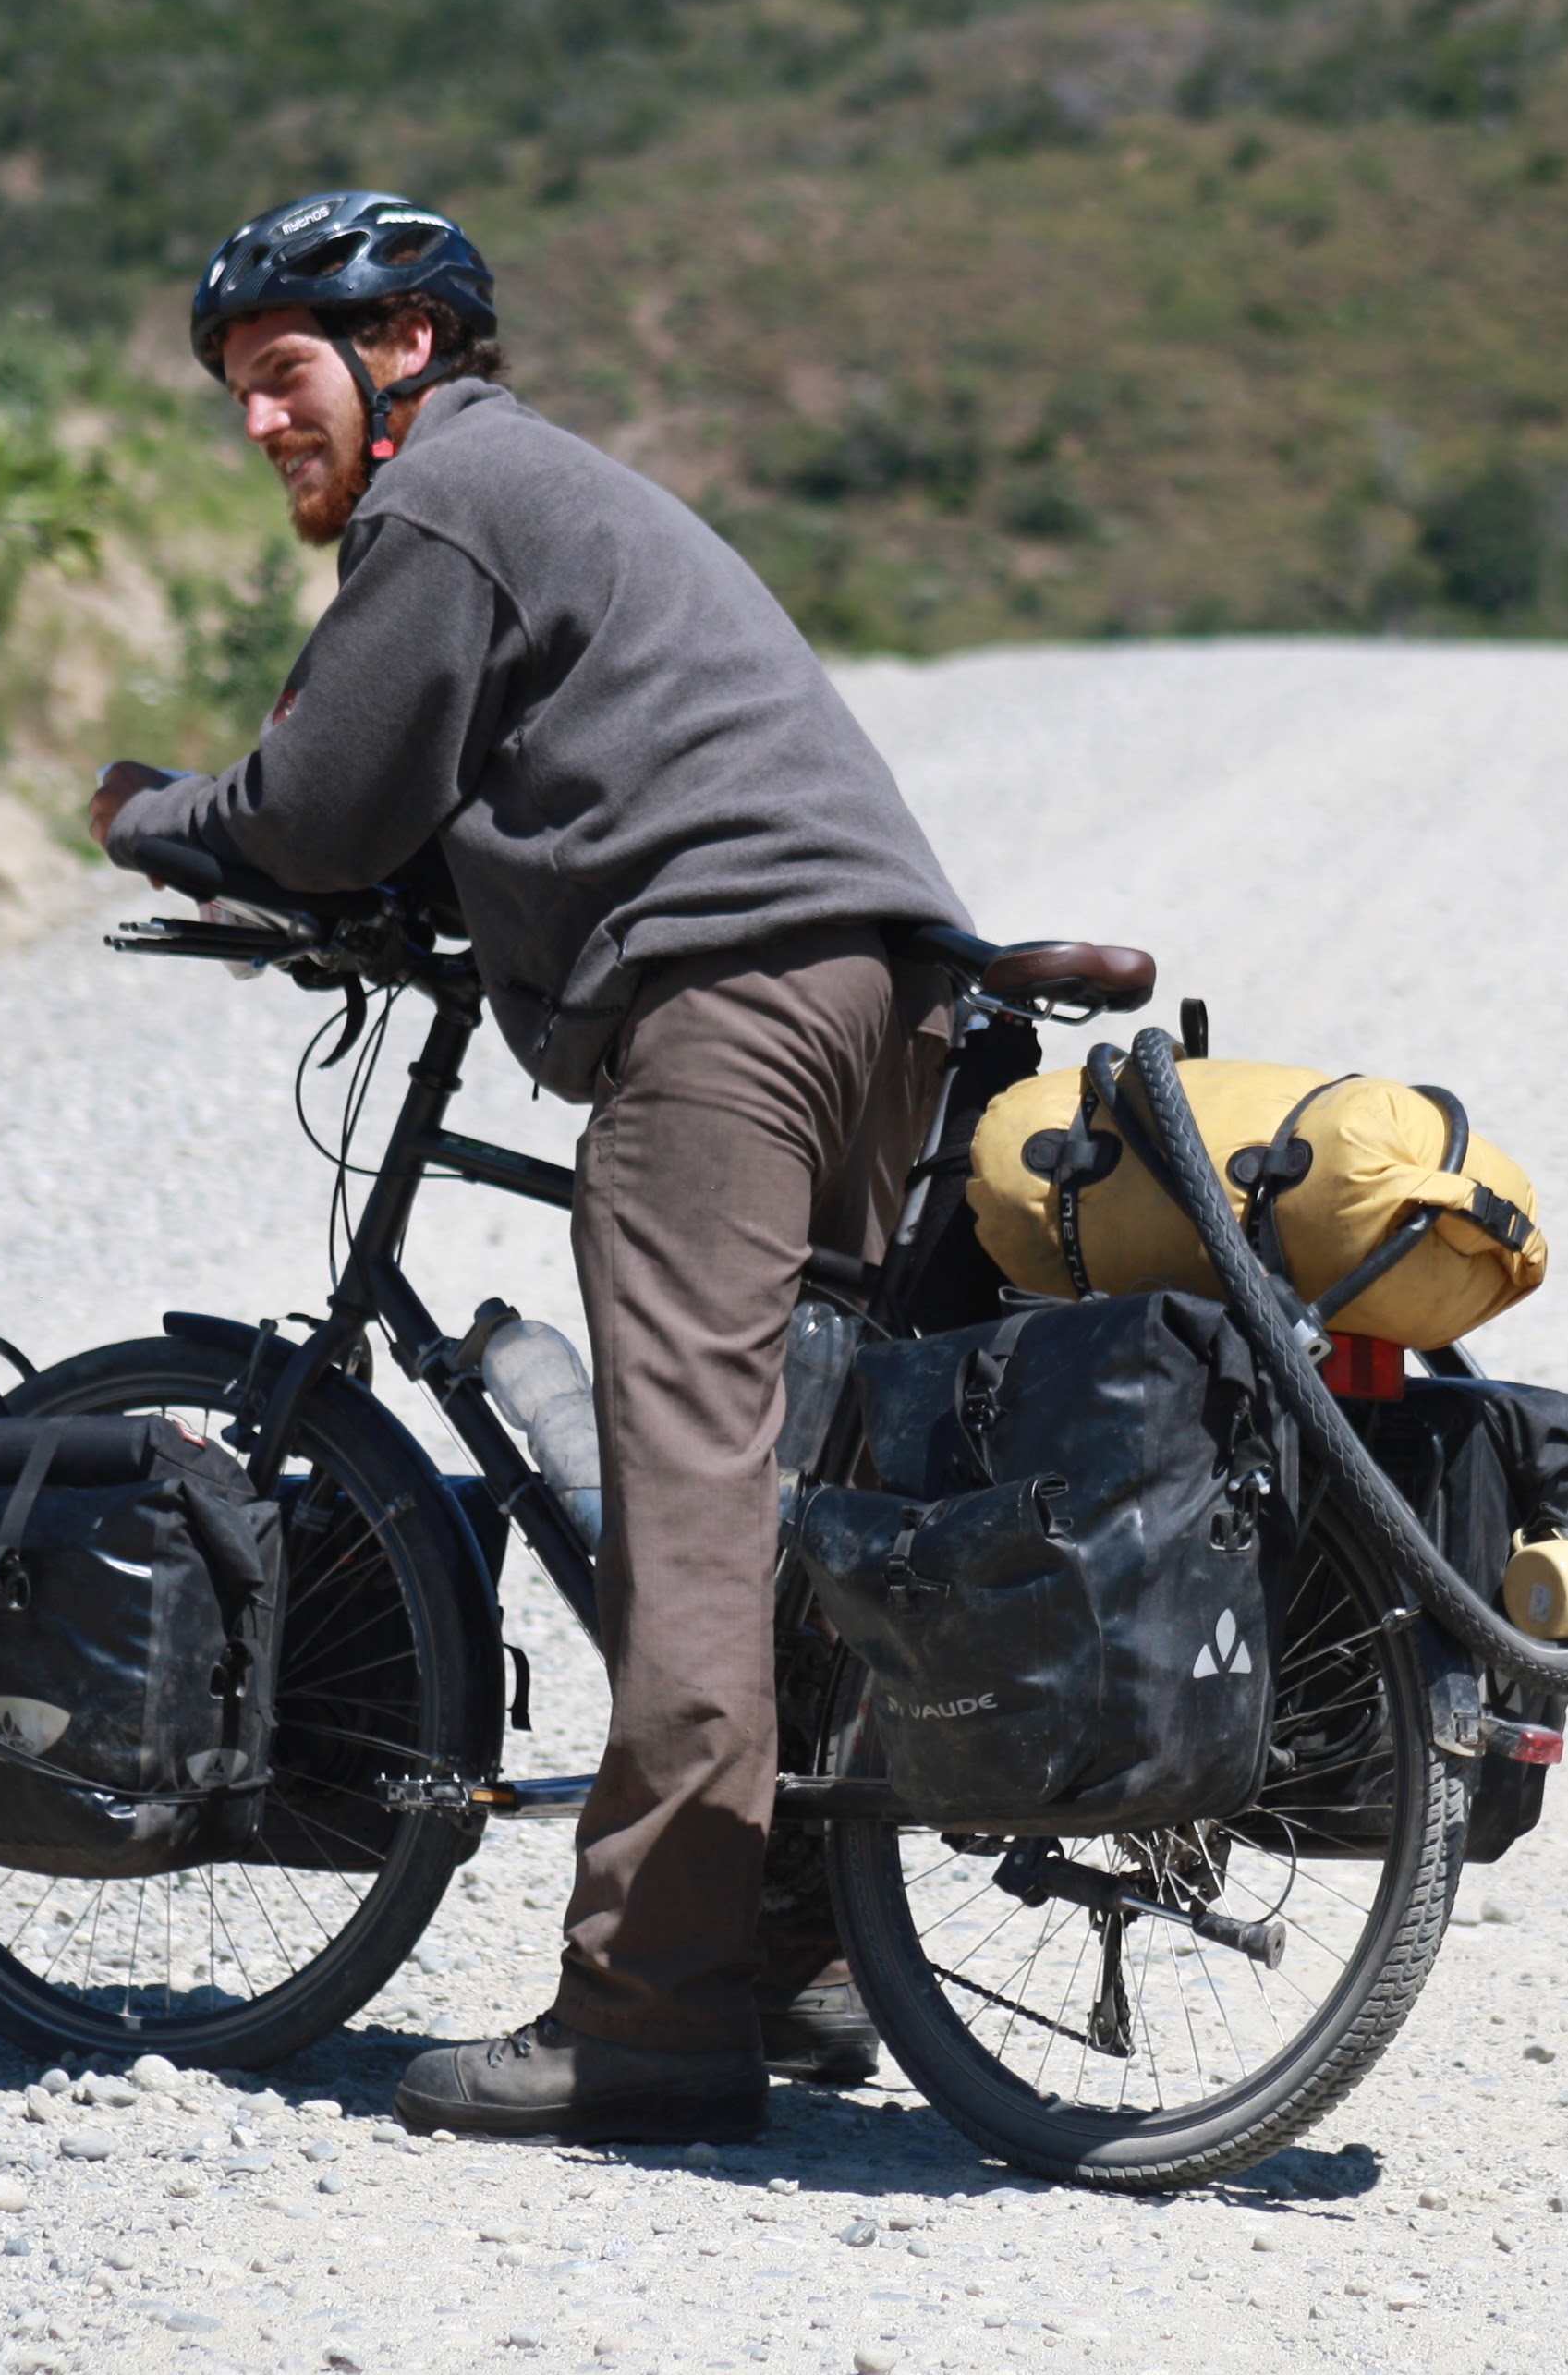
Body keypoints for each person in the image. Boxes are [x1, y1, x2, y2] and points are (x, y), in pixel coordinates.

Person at [88, 192, 971, 2145]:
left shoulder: (447, 505)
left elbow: (318, 806)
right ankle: (803, 1950)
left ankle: (650, 2018)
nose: (255, 422)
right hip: (874, 986)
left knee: (690, 1508)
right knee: (788, 1498)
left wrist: (150, 814)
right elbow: (464, 790)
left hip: (723, 1003)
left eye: (281, 375)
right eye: (234, 391)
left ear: (402, 349)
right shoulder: (540, 492)